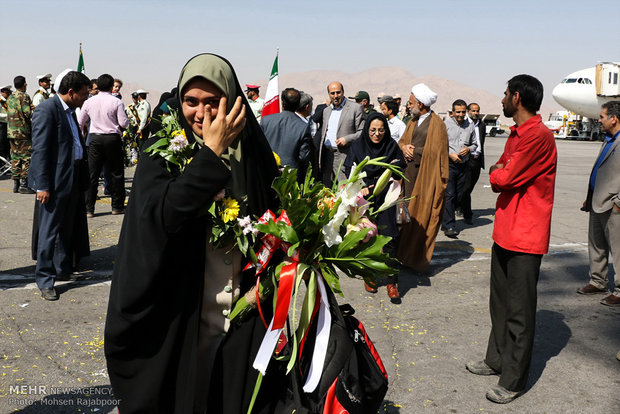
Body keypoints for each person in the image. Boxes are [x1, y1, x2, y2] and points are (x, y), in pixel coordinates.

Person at [104, 53, 281, 413]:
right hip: (183, 315)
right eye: (191, 102)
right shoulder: (163, 150)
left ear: (232, 102)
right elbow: (164, 215)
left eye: (213, 102)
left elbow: (275, 216)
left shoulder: (254, 152)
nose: (201, 114)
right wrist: (212, 155)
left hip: (244, 314)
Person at [466, 74, 557, 404]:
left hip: (525, 236)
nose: (501, 100)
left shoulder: (538, 136)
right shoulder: (517, 134)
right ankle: (496, 360)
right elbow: (503, 169)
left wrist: (498, 173)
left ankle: (514, 379)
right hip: (506, 231)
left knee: (519, 310)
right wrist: (500, 171)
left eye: (505, 94)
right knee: (500, 303)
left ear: (516, 97)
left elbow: (504, 175)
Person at [29, 71, 91, 301]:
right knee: (49, 232)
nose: (86, 98)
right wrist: (42, 185)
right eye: (84, 94)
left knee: (66, 228)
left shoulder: (70, 112)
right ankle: (45, 279)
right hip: (54, 183)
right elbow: (40, 151)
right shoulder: (47, 110)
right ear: (72, 92)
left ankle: (61, 269)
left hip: (71, 178)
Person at [344, 112, 406, 299]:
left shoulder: (391, 146)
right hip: (365, 200)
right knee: (366, 239)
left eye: (380, 130)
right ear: (367, 130)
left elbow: (399, 166)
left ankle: (391, 282)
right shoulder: (358, 146)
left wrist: (390, 179)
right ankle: (368, 275)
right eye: (373, 130)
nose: (377, 134)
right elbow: (350, 169)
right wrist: (360, 186)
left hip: (386, 198)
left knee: (389, 240)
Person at [396, 83, 448, 271]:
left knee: (421, 218)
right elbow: (402, 141)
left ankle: (415, 260)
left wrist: (415, 151)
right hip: (408, 177)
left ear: (420, 104)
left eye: (411, 103)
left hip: (425, 180)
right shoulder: (411, 121)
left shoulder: (437, 125)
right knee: (405, 218)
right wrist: (404, 147)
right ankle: (402, 256)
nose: (408, 106)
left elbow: (438, 152)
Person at [576, 101, 620, 307]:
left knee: (618, 250)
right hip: (596, 201)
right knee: (596, 245)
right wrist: (590, 194)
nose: (599, 120)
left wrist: (619, 202)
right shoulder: (608, 140)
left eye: (602, 117)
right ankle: (598, 281)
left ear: (614, 119)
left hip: (614, 205)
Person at [78, 74, 130, 217]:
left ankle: (89, 208)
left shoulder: (89, 102)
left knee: (92, 174)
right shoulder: (116, 102)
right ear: (110, 86)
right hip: (112, 139)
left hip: (95, 139)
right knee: (116, 173)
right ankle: (117, 206)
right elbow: (123, 123)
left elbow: (80, 122)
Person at [318, 81, 363, 187]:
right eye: (332, 93)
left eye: (338, 92)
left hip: (345, 155)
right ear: (329, 94)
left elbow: (362, 132)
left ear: (343, 92)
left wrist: (347, 139)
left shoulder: (355, 108)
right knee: (327, 191)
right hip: (327, 156)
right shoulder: (326, 111)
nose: (335, 96)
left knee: (344, 189)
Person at [442, 99, 477, 238]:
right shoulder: (446, 124)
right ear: (453, 111)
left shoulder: (470, 125)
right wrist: (450, 155)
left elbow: (475, 144)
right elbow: (440, 145)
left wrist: (468, 149)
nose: (461, 115)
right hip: (449, 163)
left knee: (459, 194)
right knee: (449, 194)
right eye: (458, 112)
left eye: (463, 112)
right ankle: (449, 225)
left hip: (464, 164)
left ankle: (444, 217)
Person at [260, 87, 312, 174]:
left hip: (267, 172)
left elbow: (259, 146)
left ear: (282, 103)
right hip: (290, 176)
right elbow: (303, 157)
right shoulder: (303, 127)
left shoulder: (266, 120)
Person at [6, 75, 35, 194]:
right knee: (26, 158)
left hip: (11, 132)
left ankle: (16, 184)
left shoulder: (10, 97)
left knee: (15, 157)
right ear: (23, 84)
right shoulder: (24, 96)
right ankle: (24, 184)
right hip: (23, 132)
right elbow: (28, 113)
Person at [458, 103, 486, 225]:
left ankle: (459, 206)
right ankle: (467, 214)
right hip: (467, 159)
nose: (475, 113)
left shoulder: (482, 125)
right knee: (466, 188)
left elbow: (481, 142)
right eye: (473, 111)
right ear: (469, 111)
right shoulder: (464, 124)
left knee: (469, 188)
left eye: (477, 111)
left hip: (477, 160)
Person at [0, 85, 12, 160]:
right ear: (1, 92)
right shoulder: (1, 101)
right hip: (1, 125)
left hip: (8, 125)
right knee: (2, 146)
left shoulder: (8, 101)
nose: (8, 94)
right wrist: (7, 116)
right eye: (6, 92)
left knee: (8, 146)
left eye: (9, 92)